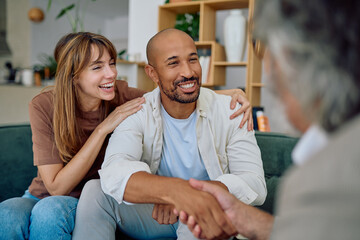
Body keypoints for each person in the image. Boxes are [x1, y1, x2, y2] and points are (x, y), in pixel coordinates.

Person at [0, 32, 253, 239]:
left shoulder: (122, 96)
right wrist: (103, 129)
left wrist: (230, 94)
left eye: (111, 64)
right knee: (7, 213)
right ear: (74, 76)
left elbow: (171, 92)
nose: (110, 74)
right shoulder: (45, 105)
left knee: (48, 212)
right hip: (43, 193)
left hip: (88, 200)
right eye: (97, 67)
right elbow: (55, 186)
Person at [180, 0, 360, 239]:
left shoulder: (323, 181)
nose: (269, 72)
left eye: (270, 57)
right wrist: (248, 220)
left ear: (292, 61)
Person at [72, 28, 267, 240]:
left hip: (208, 211)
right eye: (173, 63)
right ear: (152, 73)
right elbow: (115, 172)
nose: (188, 72)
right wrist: (172, 193)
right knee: (95, 191)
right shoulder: (136, 112)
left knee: (198, 219)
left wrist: (195, 194)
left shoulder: (232, 110)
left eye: (193, 60)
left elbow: (255, 183)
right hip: (157, 213)